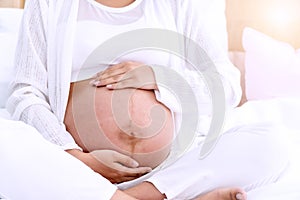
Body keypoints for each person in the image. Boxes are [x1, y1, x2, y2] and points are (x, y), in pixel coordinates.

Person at [4, 0, 288, 199]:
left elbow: (226, 86)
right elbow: (25, 92)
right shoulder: (49, 4)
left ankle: (135, 196)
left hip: (168, 170)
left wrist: (159, 77)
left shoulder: (178, 4)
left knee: (274, 143)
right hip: (75, 166)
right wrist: (75, 157)